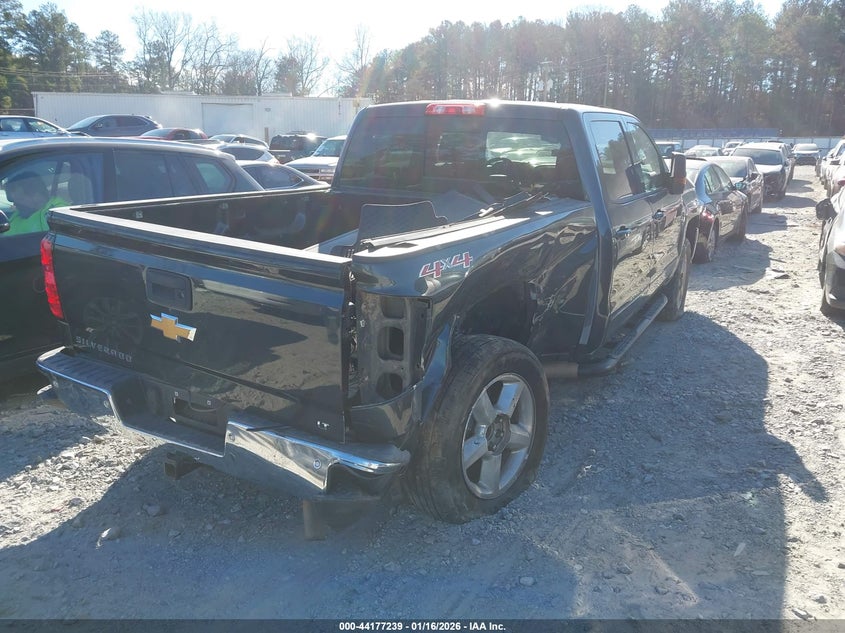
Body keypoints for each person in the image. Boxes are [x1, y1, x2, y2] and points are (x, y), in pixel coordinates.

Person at [2, 171, 67, 237]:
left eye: (20, 199)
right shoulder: (17, 216)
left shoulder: (56, 214)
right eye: (13, 200)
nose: (15, 204)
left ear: (37, 195)